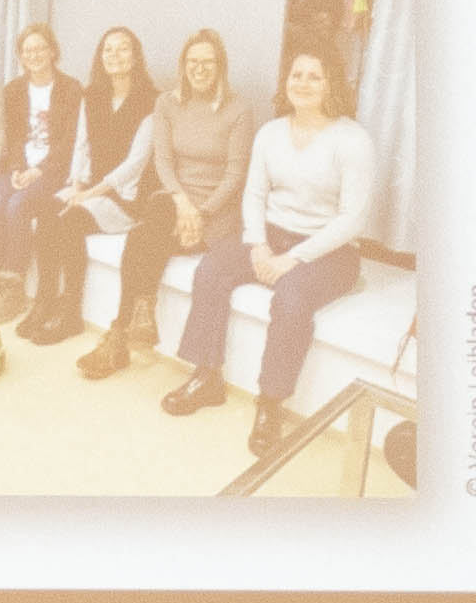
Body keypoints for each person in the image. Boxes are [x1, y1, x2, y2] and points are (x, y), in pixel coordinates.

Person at [167, 39, 377, 457]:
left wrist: (292, 259)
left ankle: (271, 403)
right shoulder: (271, 132)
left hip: (329, 250)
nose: (303, 82)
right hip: (272, 235)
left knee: (292, 298)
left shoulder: (352, 140)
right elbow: (254, 194)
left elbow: (352, 219)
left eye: (314, 76)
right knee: (211, 270)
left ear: (331, 83)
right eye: (297, 75)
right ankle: (206, 375)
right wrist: (258, 244)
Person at [87, 25, 245, 381]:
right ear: (183, 65)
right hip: (174, 197)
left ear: (220, 66)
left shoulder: (238, 109)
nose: (199, 68)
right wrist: (182, 202)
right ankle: (137, 317)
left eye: (207, 62)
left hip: (215, 212)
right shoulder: (167, 104)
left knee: (143, 238)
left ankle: (119, 334)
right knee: (149, 228)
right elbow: (163, 162)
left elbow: (235, 175)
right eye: (192, 61)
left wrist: (200, 212)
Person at [38, 24, 166, 354]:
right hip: (91, 186)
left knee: (70, 221)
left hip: (125, 197)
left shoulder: (152, 101)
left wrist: (87, 195)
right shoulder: (91, 95)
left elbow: (136, 164)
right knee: (47, 210)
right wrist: (77, 186)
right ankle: (45, 298)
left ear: (136, 57)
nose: (114, 55)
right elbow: (82, 146)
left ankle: (70, 312)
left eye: (123, 48)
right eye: (108, 49)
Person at [0, 23, 84, 326]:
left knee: (18, 206)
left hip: (52, 170)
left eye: (40, 48)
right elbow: (12, 135)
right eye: (27, 50)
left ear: (53, 51)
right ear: (20, 56)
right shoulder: (14, 90)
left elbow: (69, 141)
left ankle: (13, 284)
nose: (34, 55)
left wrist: (38, 170)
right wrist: (18, 167)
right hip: (18, 166)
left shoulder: (71, 88)